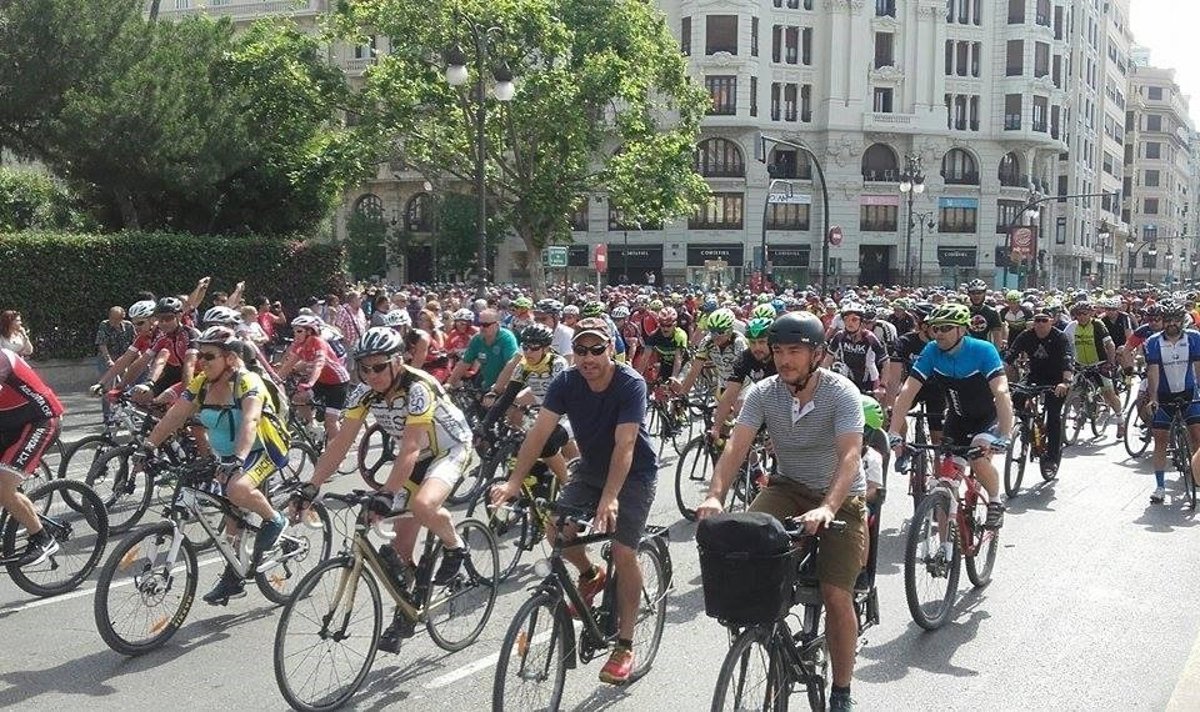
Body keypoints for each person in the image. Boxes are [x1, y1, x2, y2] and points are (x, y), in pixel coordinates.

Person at [695, 311, 866, 712]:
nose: (784, 360)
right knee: (744, 547)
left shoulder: (841, 392)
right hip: (788, 488)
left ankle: (842, 691)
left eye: (794, 351)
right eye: (778, 351)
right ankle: (762, 632)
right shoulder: (763, 393)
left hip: (840, 497)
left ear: (817, 355)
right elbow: (737, 447)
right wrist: (715, 496)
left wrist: (828, 507)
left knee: (835, 593)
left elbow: (850, 456)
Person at [490, 317, 658, 685]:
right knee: (556, 531)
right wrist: (514, 481)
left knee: (623, 550)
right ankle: (590, 574)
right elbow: (539, 432)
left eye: (597, 349)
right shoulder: (566, 381)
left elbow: (626, 444)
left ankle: (625, 645)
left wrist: (610, 498)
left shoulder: (630, 383)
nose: (588, 358)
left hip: (633, 474)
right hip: (591, 467)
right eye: (580, 350)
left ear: (610, 349)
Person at [295, 327, 475, 653]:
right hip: (416, 458)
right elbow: (340, 443)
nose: (371, 375)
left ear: (397, 361)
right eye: (364, 368)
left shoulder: (418, 387)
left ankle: (455, 546)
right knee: (398, 552)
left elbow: (409, 447)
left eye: (378, 367)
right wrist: (311, 486)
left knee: (422, 505)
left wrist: (387, 494)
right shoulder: (364, 392)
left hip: (449, 449)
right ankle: (406, 613)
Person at [138, 326, 287, 604]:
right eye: (200, 355)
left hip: (261, 449)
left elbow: (251, 420)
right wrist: (147, 447)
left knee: (237, 489)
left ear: (230, 358)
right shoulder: (201, 383)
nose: (201, 362)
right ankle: (234, 576)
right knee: (232, 517)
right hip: (227, 456)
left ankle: (275, 519)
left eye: (209, 356)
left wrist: (239, 459)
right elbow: (174, 416)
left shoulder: (247, 382)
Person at [888, 302, 1013, 529]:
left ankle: (995, 501)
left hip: (986, 419)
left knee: (978, 460)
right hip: (957, 420)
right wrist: (894, 430)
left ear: (962, 329)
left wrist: (1005, 434)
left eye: (946, 328)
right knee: (945, 483)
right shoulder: (931, 351)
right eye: (936, 328)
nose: (939, 333)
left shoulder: (983, 350)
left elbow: (1002, 392)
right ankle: (944, 547)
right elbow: (908, 391)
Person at [0, 347, 65, 565]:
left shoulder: (2, 359)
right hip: (11, 424)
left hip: (40, 421)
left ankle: (42, 538)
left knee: (3, 486)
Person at [1003, 307, 1074, 477]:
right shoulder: (1026, 335)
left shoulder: (1060, 337)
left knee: (1053, 417)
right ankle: (1026, 426)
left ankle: (1052, 458)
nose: (1040, 324)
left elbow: (1067, 360)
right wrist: (997, 377)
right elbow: (1010, 355)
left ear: (1051, 321)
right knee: (1017, 396)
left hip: (1057, 380)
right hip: (1035, 376)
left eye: (1044, 320)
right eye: (1037, 320)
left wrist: (1065, 382)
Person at [1143, 302, 1200, 504]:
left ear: (1182, 321)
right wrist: (1153, 398)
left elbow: (1198, 367)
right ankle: (1160, 486)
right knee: (1160, 441)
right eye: (1167, 320)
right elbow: (1153, 372)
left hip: (1189, 394)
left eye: (1176, 319)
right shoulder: (1153, 341)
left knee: (1197, 438)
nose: (1171, 323)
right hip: (1164, 396)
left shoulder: (1194, 338)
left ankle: (1197, 477)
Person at [275, 314, 350, 444]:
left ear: (309, 331)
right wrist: (275, 380)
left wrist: (310, 382)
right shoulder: (300, 345)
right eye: (294, 331)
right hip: (321, 381)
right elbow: (288, 365)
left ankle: (337, 450)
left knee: (330, 421)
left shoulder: (319, 343)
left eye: (299, 331)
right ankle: (312, 427)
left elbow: (319, 364)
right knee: (298, 398)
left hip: (337, 383)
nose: (296, 334)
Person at [1062, 301, 1124, 439]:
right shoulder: (1072, 326)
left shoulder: (1097, 325)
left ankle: (1120, 421)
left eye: (1084, 313)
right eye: (1078, 314)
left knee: (1109, 394)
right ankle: (1080, 413)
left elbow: (1110, 345)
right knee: (1071, 391)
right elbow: (1062, 343)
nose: (1081, 316)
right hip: (1080, 364)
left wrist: (1110, 363)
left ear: (1090, 313)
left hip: (1099, 363)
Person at [446, 309, 519, 391]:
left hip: (506, 387)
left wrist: (497, 389)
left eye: (485, 325)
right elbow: (464, 363)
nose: (481, 328)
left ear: (497, 325)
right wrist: (449, 383)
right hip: (487, 385)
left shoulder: (507, 338)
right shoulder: (477, 339)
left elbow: (511, 365)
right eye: (480, 324)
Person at [965, 280, 1006, 348]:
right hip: (968, 349)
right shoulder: (965, 312)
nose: (976, 296)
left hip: (986, 349)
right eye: (973, 293)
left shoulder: (992, 312)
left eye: (979, 293)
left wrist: (997, 352)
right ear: (969, 294)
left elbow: (997, 336)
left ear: (984, 293)